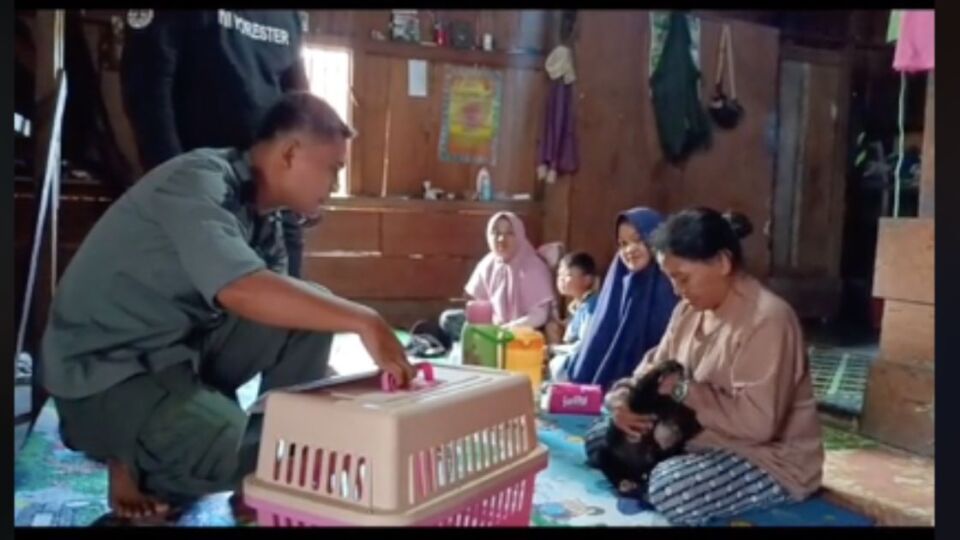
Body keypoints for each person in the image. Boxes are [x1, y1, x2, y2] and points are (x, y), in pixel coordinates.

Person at [41, 92, 416, 522]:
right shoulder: (197, 181)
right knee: (268, 460)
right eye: (333, 169)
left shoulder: (265, 218)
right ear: (291, 153)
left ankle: (253, 470)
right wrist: (366, 320)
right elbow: (239, 289)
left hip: (177, 358)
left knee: (312, 313)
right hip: (107, 377)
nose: (334, 185)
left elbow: (274, 308)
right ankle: (142, 457)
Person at [605, 208, 823, 526]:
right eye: (670, 280)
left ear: (722, 262)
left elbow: (759, 425)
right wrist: (622, 401)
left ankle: (656, 480)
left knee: (670, 486)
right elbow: (650, 368)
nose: (677, 290)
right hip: (697, 437)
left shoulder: (768, 319)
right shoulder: (687, 310)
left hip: (767, 458)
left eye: (683, 278)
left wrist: (683, 390)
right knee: (602, 436)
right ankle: (654, 475)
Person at [121, 9, 311, 277]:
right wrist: (176, 183)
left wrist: (306, 176)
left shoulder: (287, 16)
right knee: (206, 301)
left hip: (272, 198)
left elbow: (297, 102)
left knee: (286, 301)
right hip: (204, 190)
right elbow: (149, 94)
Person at [558, 207, 678, 391]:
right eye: (623, 244)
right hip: (607, 395)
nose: (629, 250)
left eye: (638, 240)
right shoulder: (618, 285)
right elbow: (597, 340)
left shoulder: (672, 289)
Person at [439, 212, 555, 341]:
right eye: (496, 233)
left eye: (509, 233)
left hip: (520, 332)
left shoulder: (533, 266)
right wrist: (485, 326)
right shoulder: (488, 263)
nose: (501, 239)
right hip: (493, 330)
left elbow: (540, 316)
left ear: (519, 235)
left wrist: (508, 329)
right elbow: (475, 301)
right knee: (449, 319)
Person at [546, 252, 599, 378]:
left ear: (587, 279)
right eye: (560, 275)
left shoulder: (591, 307)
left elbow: (583, 345)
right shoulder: (578, 305)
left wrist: (553, 349)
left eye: (568, 275)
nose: (561, 280)